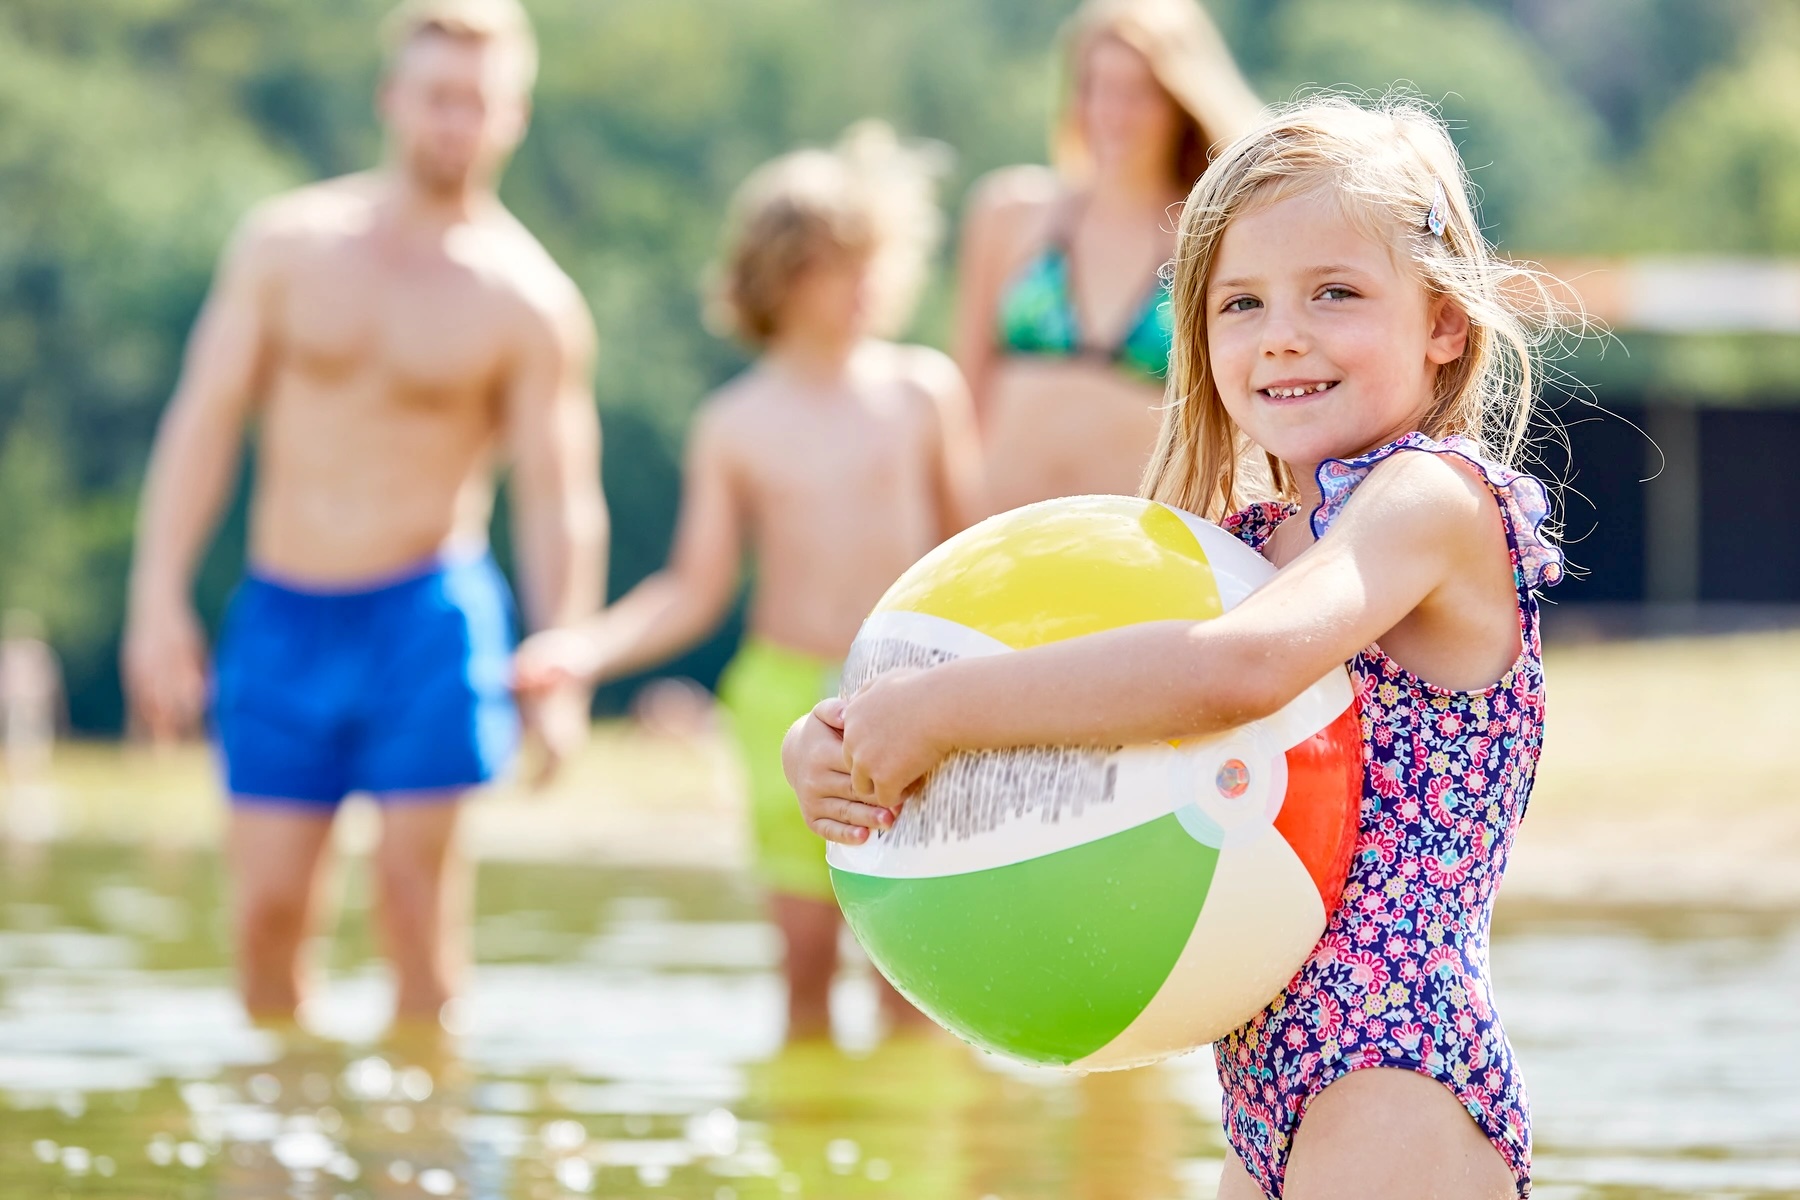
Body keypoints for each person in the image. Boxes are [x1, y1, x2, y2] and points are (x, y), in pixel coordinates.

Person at [787, 96, 1575, 1199]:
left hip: (1397, 1067)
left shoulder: (1429, 502)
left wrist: (940, 712)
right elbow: (1082, 702)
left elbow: (1230, 671)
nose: (1282, 335)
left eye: (1334, 294)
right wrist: (837, 738)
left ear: (1443, 322)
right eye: (1239, 303)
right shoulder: (1239, 549)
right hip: (1259, 1087)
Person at [121, 0, 607, 1026]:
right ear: (392, 100)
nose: (454, 122)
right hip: (285, 612)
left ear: (513, 115)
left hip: (426, 617)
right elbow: (202, 424)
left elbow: (560, 495)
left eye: (478, 102)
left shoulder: (528, 300)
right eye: (437, 97)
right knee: (265, 916)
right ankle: (278, 1164)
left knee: (415, 912)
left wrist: (563, 654)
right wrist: (157, 597)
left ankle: (422, 1168)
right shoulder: (286, 247)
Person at [513, 123, 979, 1039]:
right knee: (804, 965)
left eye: (872, 261)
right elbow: (695, 587)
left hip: (915, 692)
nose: (862, 286)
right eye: (834, 266)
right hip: (781, 702)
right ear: (777, 278)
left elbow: (977, 555)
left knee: (915, 972)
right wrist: (584, 649)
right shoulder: (737, 423)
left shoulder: (923, 392)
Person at [953, 0, 1259, 515]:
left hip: (1140, 549)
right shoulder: (1009, 212)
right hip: (1000, 541)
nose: (1112, 112)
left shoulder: (1213, 234)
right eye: (1095, 87)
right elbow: (964, 398)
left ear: (1181, 101)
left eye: (1138, 92)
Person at [0, 609, 63, 843]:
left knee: (36, 743)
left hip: (34, 704)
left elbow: (48, 682)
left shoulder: (38, 654)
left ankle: (33, 784)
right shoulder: (11, 654)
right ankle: (19, 786)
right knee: (17, 744)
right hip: (19, 704)